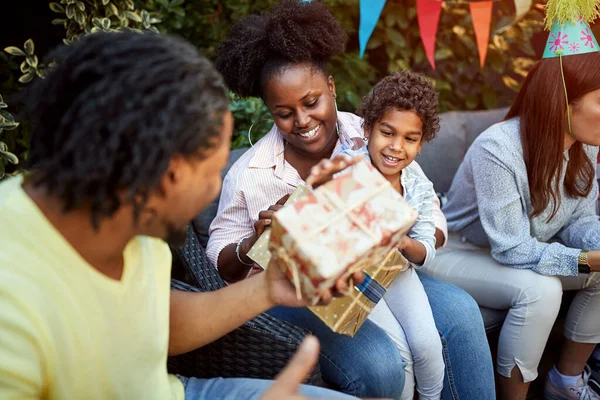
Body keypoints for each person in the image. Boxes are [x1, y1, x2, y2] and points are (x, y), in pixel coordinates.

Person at [0, 31, 359, 400]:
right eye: (211, 173)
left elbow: (148, 324)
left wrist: (268, 287)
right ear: (165, 175)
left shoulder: (123, 209)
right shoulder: (12, 305)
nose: (214, 190)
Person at [209, 1, 496, 398]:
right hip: (298, 289)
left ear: (331, 87)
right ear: (270, 112)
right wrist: (254, 242)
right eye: (284, 113)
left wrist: (412, 238)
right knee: (381, 362)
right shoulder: (251, 173)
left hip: (386, 270)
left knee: (461, 313)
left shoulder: (375, 133)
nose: (303, 121)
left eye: (311, 103)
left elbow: (426, 205)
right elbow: (218, 260)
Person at [421, 15, 600, 400]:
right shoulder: (498, 149)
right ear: (565, 104)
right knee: (541, 290)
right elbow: (512, 247)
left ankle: (565, 383)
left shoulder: (586, 146)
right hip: (458, 251)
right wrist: (588, 261)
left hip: (517, 250)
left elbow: (580, 221)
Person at [336, 70, 445, 399]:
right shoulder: (346, 168)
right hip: (355, 276)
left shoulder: (418, 184)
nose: (396, 147)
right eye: (387, 132)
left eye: (410, 138)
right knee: (401, 357)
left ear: (421, 143)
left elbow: (426, 248)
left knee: (428, 346)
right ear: (367, 129)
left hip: (396, 270)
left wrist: (405, 242)